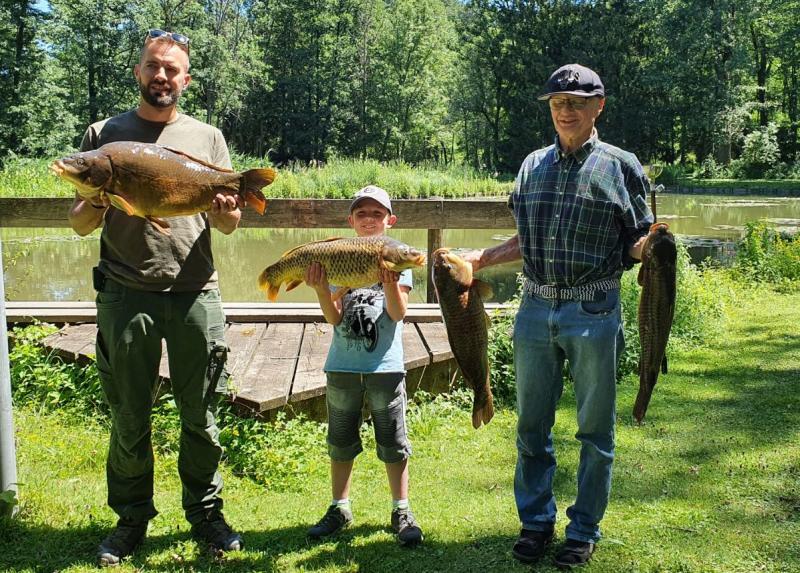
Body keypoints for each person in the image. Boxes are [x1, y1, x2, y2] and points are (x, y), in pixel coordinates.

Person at [462, 64, 653, 568]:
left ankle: (583, 529)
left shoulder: (622, 166)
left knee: (594, 430)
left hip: (594, 307)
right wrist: (479, 261)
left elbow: (634, 240)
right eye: (557, 103)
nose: (565, 111)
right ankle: (536, 523)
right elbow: (528, 237)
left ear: (598, 107)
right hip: (534, 308)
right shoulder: (531, 166)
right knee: (531, 427)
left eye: (575, 102)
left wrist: (652, 248)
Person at [68, 29, 244, 566]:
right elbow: (78, 225)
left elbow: (232, 224)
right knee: (129, 415)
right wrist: (101, 199)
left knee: (201, 415)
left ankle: (207, 516)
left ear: (185, 79)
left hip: (195, 293)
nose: (161, 75)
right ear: (139, 72)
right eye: (153, 66)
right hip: (125, 293)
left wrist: (229, 208)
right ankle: (130, 519)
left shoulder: (208, 137)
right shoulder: (106, 135)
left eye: (172, 68)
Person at [303, 185, 423, 547]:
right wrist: (323, 290)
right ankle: (340, 507)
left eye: (376, 214)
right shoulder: (341, 256)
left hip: (385, 366)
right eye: (362, 214)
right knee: (340, 439)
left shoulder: (396, 256)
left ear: (389, 220)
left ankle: (401, 509)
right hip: (341, 364)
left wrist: (389, 283)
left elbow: (398, 312)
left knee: (392, 439)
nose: (369, 220)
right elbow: (333, 318)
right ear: (351, 220)